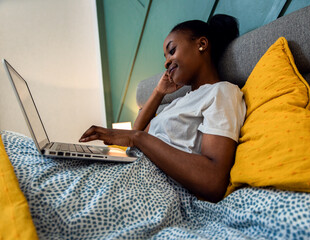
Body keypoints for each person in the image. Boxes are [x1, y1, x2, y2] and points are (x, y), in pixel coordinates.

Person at [79, 14, 246, 203]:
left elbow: (213, 181)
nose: (166, 62)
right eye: (165, 57)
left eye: (172, 50)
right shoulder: (179, 102)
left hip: (153, 189)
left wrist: (138, 138)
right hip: (130, 171)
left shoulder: (222, 92)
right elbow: (137, 132)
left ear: (202, 44)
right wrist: (159, 92)